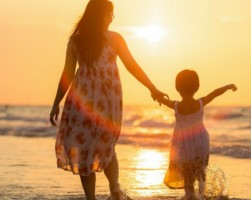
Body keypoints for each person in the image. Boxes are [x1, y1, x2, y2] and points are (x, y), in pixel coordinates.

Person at [49, 0, 167, 199]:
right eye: (111, 13)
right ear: (102, 15)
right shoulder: (112, 39)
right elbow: (132, 65)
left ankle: (96, 196)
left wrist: (56, 103)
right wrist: (152, 88)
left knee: (85, 147)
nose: (112, 18)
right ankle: (114, 188)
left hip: (82, 100)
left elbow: (68, 74)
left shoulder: (77, 40)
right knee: (105, 144)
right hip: (106, 100)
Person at [157, 69, 237, 199]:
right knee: (201, 171)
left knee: (188, 174)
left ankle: (190, 196)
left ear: (178, 88)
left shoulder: (176, 105)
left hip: (184, 144)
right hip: (201, 141)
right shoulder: (200, 103)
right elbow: (215, 93)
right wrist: (228, 87)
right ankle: (202, 194)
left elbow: (162, 100)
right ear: (197, 87)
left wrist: (157, 96)